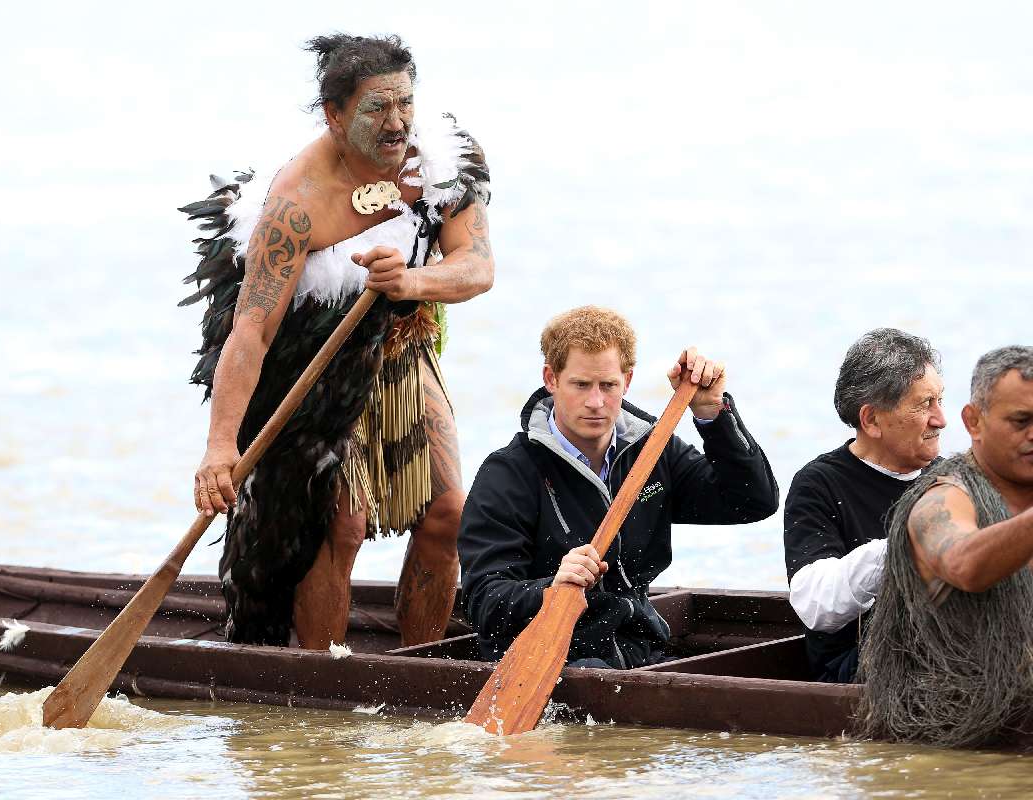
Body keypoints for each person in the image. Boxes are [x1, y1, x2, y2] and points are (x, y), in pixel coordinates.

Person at [178, 34, 494, 649]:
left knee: (449, 511)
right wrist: (220, 447)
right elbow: (251, 330)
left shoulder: (440, 168)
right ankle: (323, 683)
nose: (397, 122)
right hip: (311, 375)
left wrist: (410, 281)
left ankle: (418, 669)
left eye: (405, 102)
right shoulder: (296, 206)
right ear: (335, 115)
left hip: (400, 352)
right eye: (377, 107)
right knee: (338, 524)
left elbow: (477, 266)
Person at [457, 307, 778, 668]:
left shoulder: (654, 450)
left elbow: (752, 501)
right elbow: (483, 602)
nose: (596, 402)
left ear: (627, 380)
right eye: (581, 385)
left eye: (608, 386)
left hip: (640, 649)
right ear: (551, 378)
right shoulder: (507, 473)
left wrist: (713, 415)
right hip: (549, 659)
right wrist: (550, 588)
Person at [858, 346, 1033, 748]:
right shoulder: (940, 499)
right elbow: (964, 564)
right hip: (964, 722)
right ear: (973, 421)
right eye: (1021, 421)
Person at [783, 329, 945, 683]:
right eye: (924, 404)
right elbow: (814, 605)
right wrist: (906, 546)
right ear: (871, 419)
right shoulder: (818, 483)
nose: (940, 419)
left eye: (940, 401)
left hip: (941, 652)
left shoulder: (948, 480)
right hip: (856, 667)